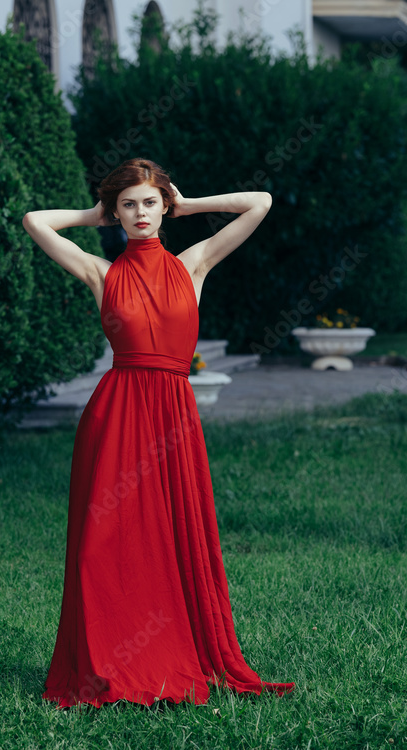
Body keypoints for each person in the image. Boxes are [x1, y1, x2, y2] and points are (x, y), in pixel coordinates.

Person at [22, 157, 295, 709]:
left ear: (162, 205)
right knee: (106, 546)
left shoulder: (193, 264)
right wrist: (91, 215)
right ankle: (110, 663)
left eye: (149, 202)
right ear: (116, 212)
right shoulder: (102, 272)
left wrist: (187, 204)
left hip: (172, 413)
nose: (140, 214)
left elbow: (259, 202)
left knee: (171, 534)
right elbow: (34, 220)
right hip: (115, 413)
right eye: (129, 205)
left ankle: (169, 652)